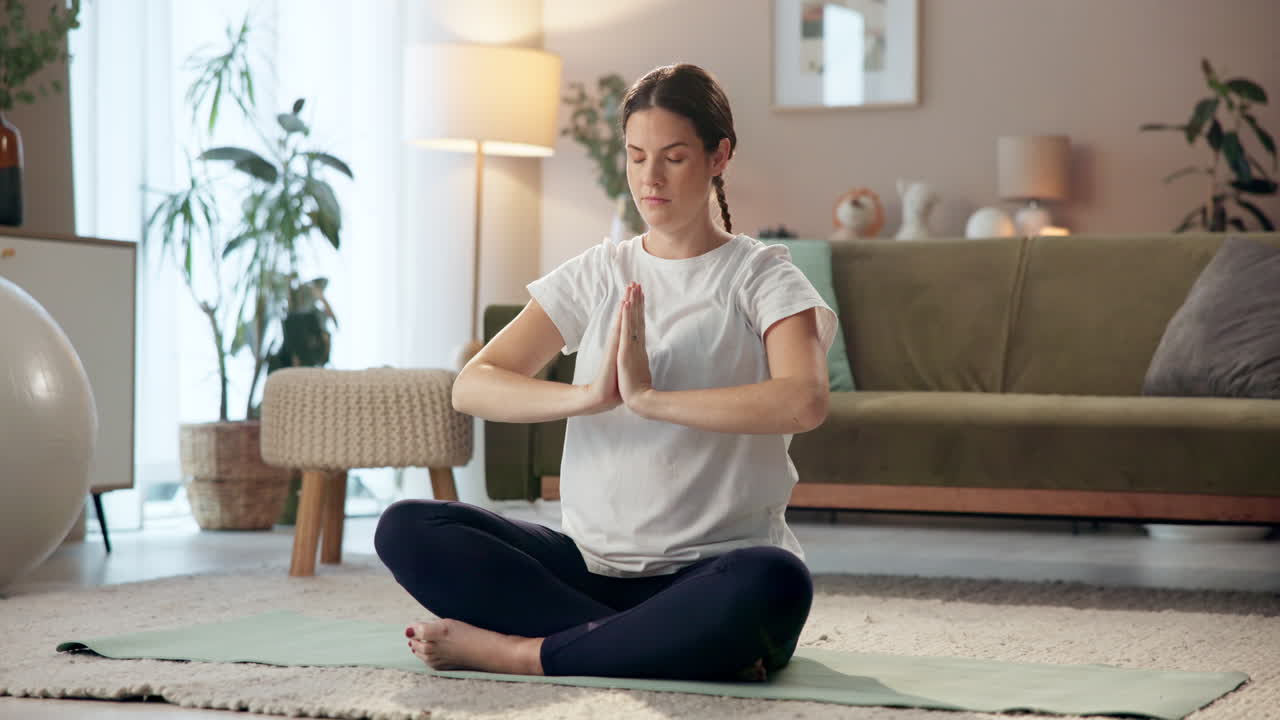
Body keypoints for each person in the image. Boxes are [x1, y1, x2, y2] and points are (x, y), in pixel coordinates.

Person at [375, 63, 838, 682]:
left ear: (718, 155)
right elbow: (475, 383)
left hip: (714, 572)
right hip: (590, 569)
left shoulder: (762, 276)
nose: (650, 178)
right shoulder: (599, 271)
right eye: (636, 155)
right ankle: (646, 644)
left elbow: (803, 400)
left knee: (775, 581)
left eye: (673, 157)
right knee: (409, 527)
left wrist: (650, 399)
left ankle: (520, 653)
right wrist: (591, 396)